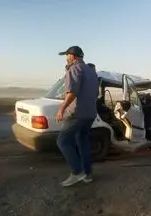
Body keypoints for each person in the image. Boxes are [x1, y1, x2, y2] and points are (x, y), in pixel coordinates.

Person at [56, 46, 99, 187]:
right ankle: (87, 175)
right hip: (90, 114)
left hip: (77, 113)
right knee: (82, 141)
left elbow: (72, 92)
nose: (66, 58)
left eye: (66, 55)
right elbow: (95, 94)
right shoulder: (91, 72)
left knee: (62, 141)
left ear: (72, 56)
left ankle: (77, 172)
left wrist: (62, 108)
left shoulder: (74, 69)